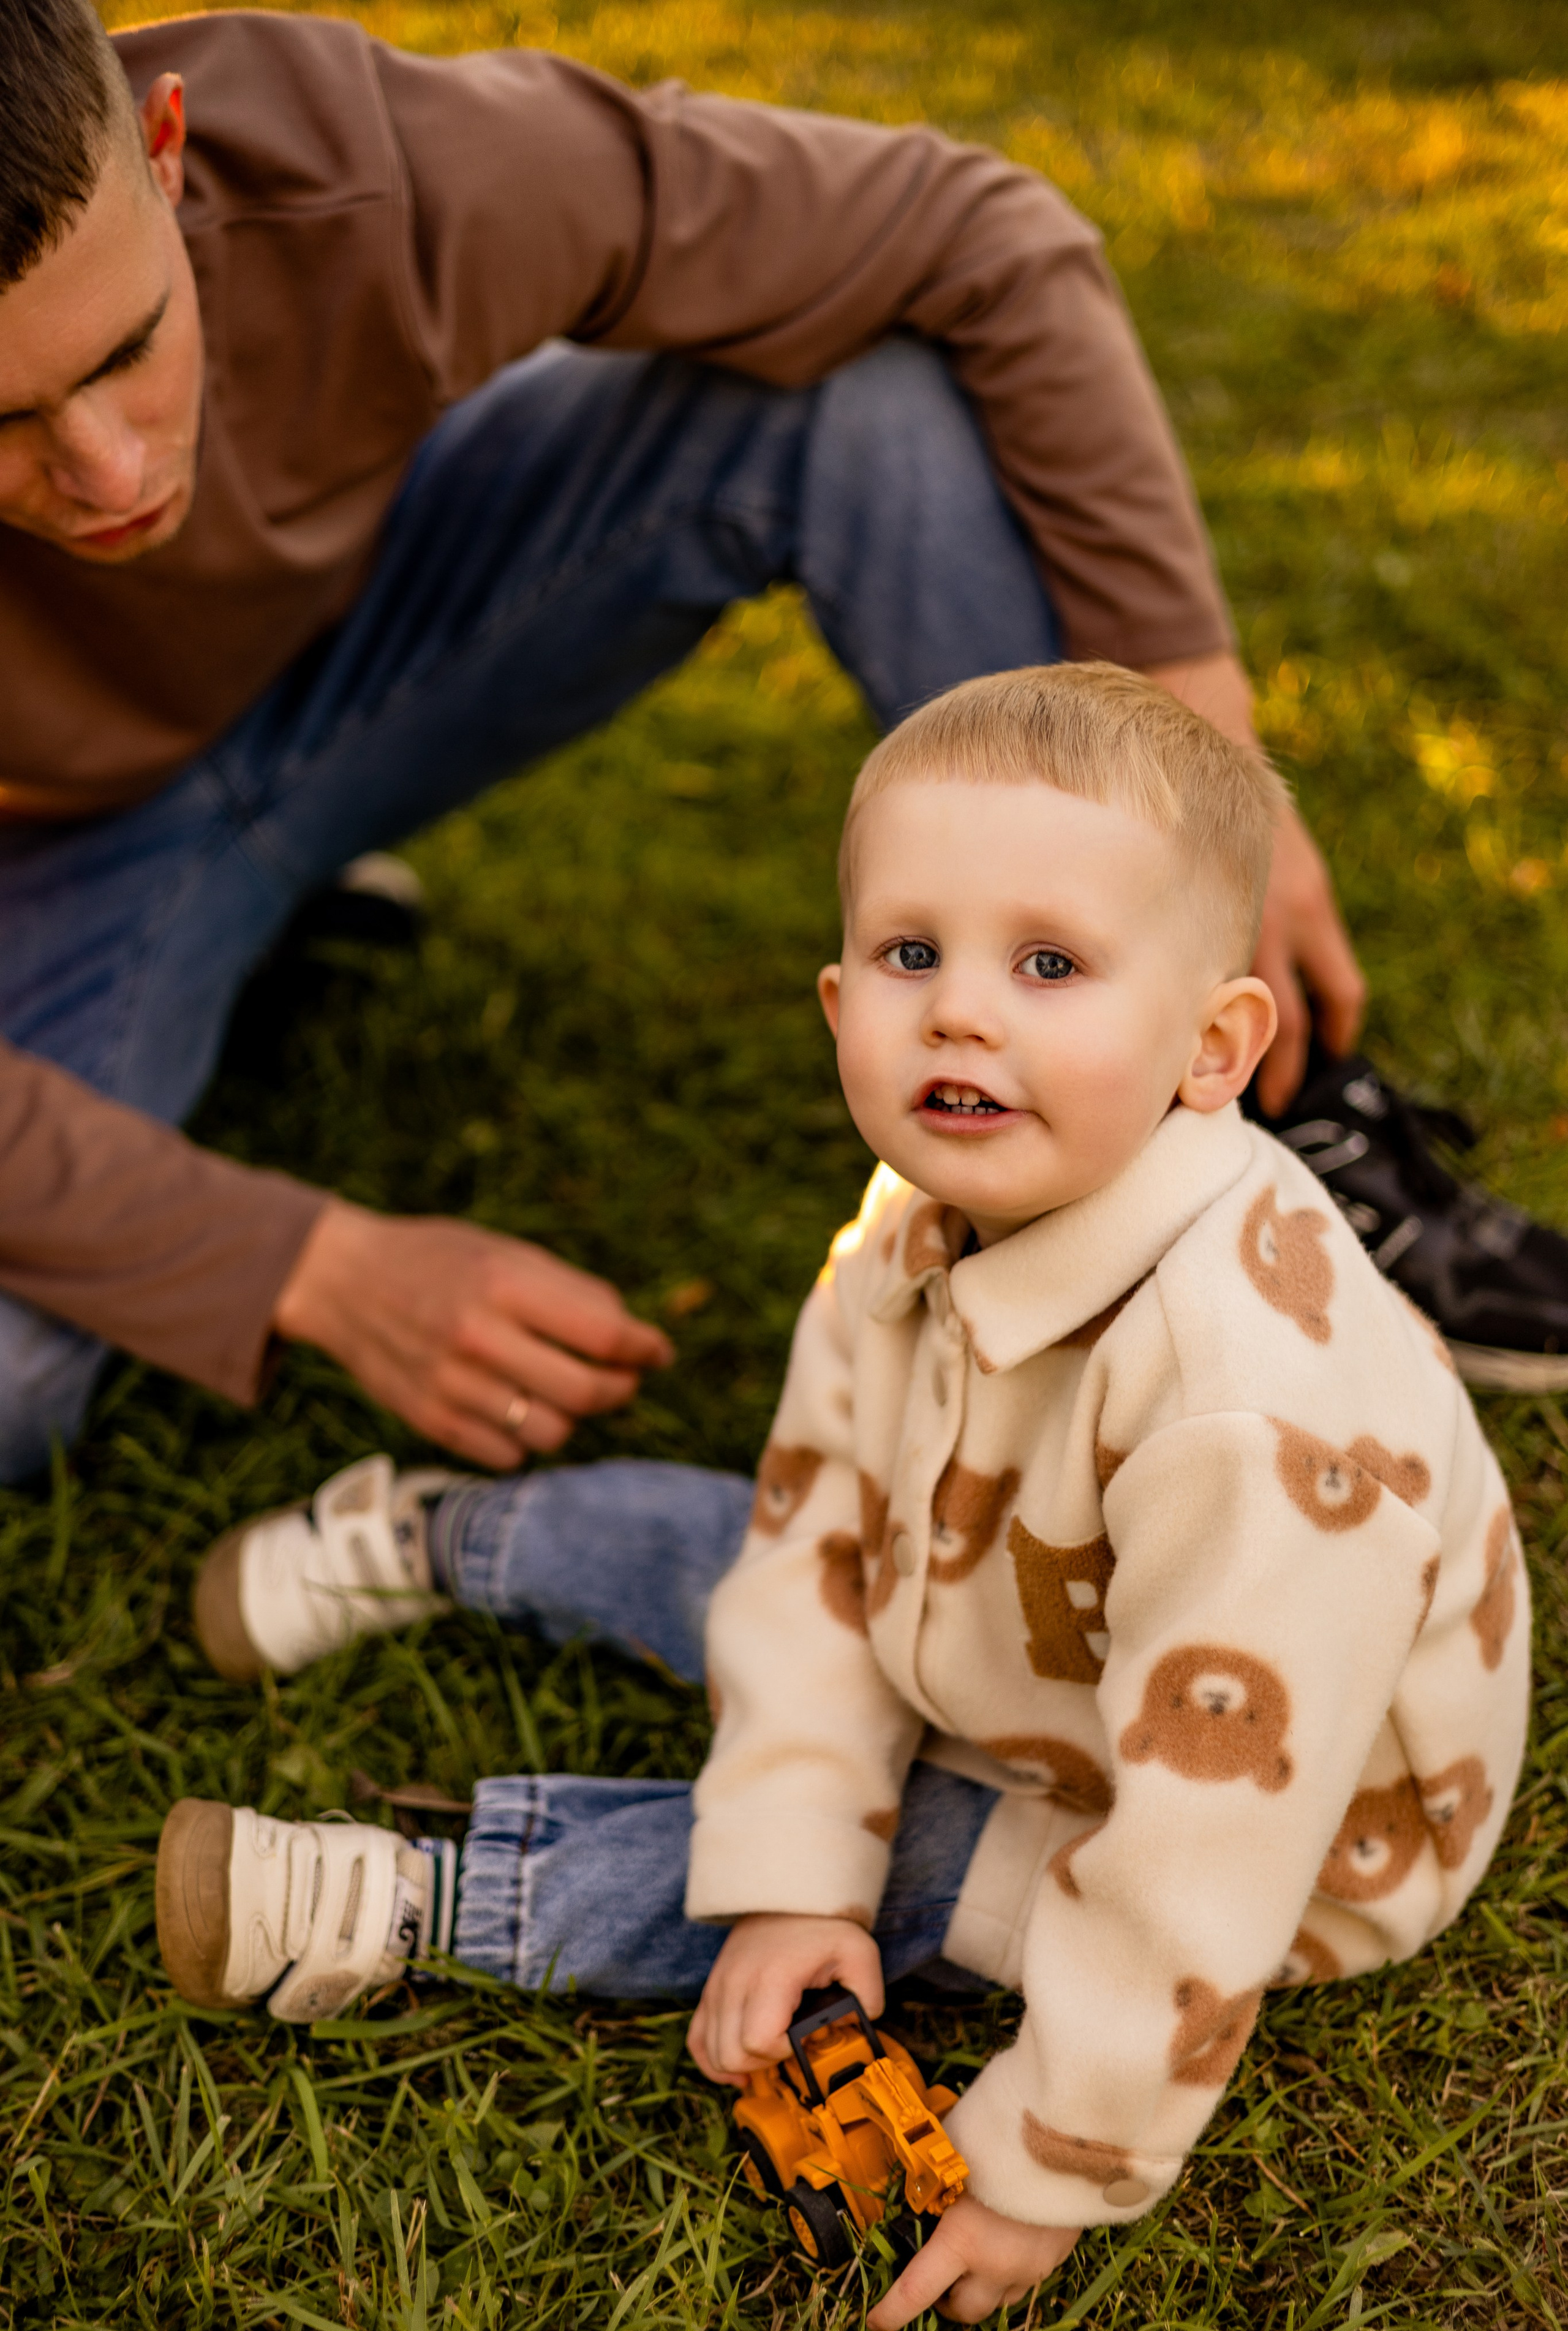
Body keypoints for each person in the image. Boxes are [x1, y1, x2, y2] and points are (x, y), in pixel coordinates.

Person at [2, 2, 1566, 1492]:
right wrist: (310, 1264)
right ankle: (236, 942)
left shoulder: (358, 165)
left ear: (170, 149)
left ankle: (1233, 1145)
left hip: (355, 652)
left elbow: (973, 231)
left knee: (858, 392)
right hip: (51, 868)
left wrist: (1192, 745)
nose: (108, 471)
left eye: (128, 347)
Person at [155, 667, 1528, 2325]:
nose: (960, 1012)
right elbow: (818, 1523)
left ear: (1214, 1046)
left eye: (1048, 964)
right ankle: (446, 1534)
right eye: (909, 955)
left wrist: (1046, 2166)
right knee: (757, 1559)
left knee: (925, 1864)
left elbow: (1193, 1868)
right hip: (1017, 1613)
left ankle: (419, 1899)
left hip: (1279, 1814)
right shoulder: (920, 1206)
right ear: (837, 1002)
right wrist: (799, 1855)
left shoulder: (1250, 1423)